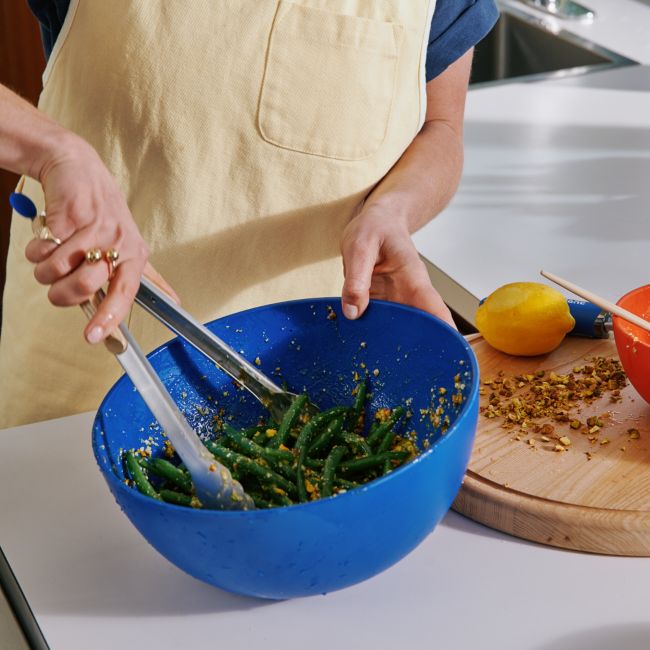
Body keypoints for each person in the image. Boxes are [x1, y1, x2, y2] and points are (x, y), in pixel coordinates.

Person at [0, 0, 498, 428]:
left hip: (312, 393)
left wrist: (393, 209)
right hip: (80, 376)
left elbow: (440, 128)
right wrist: (53, 150)